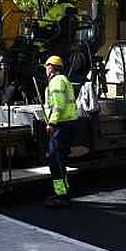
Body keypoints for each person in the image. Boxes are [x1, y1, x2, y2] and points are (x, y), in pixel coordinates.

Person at [43, 55, 78, 208]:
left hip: (61, 125)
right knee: (59, 160)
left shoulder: (56, 82)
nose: (45, 69)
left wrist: (51, 123)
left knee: (55, 161)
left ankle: (62, 196)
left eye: (46, 66)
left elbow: (58, 105)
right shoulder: (64, 80)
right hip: (67, 125)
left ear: (51, 67)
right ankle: (63, 193)